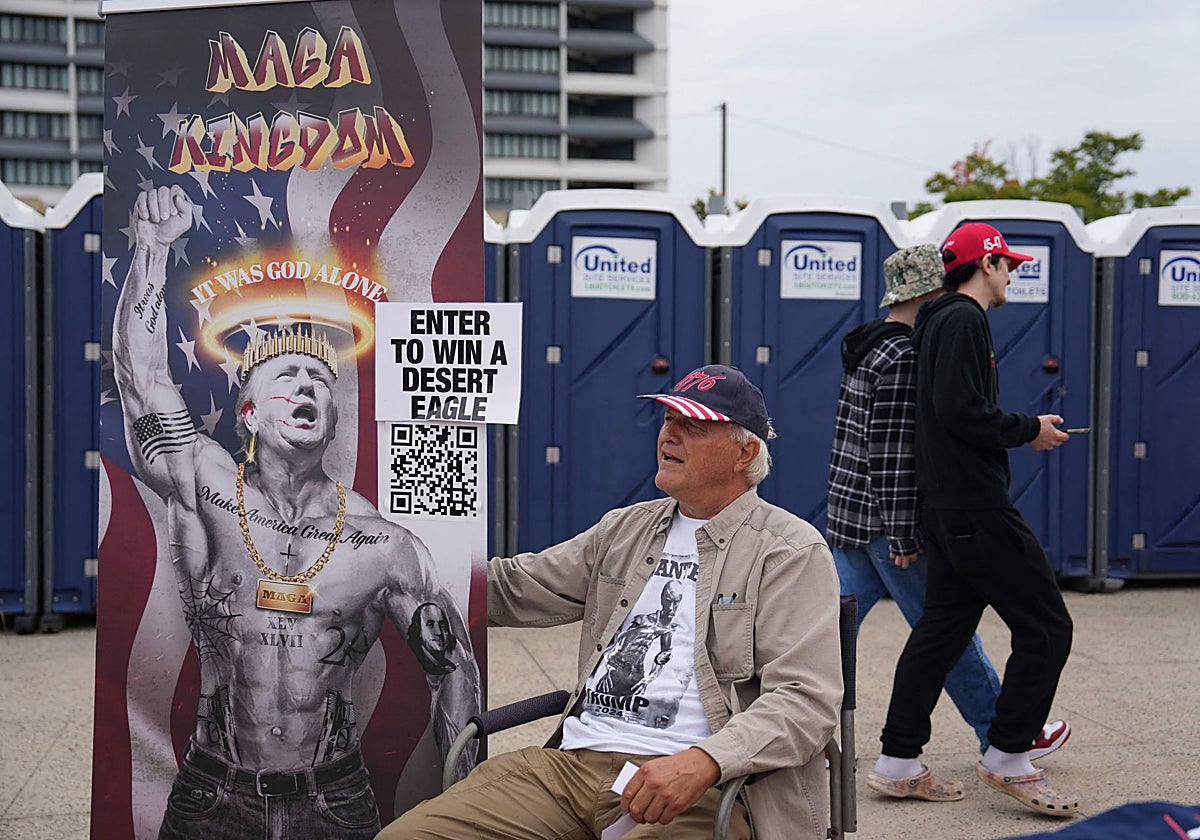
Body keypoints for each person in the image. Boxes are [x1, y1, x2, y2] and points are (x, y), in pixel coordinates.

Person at [112, 185, 481, 839]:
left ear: (330, 418)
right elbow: (142, 383)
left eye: (319, 381)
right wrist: (151, 248)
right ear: (250, 412)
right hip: (212, 795)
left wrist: (463, 793)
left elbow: (453, 669)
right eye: (286, 375)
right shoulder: (207, 486)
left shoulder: (382, 544)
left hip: (333, 800)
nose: (307, 384)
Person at [378, 364, 844, 839]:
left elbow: (805, 701)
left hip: (705, 787)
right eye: (669, 419)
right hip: (573, 769)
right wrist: (393, 565)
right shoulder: (627, 528)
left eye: (694, 426)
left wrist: (706, 760)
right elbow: (515, 586)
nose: (670, 435)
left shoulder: (787, 551)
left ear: (745, 453)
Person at [828, 244, 1071, 757]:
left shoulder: (868, 345)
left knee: (823, 636)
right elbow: (892, 453)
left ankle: (794, 735)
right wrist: (903, 535)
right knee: (948, 633)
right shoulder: (903, 355)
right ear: (930, 292)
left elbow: (852, 443)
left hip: (852, 516)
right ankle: (999, 734)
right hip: (888, 523)